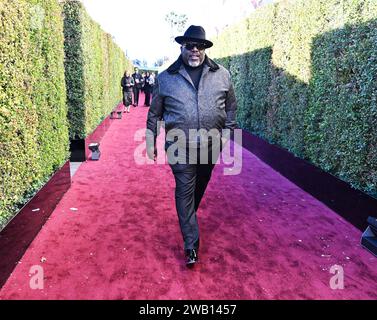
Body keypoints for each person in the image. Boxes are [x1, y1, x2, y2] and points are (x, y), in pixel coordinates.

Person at [146, 25, 237, 267]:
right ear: (182, 47)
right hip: (179, 146)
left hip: (211, 144)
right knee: (185, 187)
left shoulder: (223, 75)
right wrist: (149, 141)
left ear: (205, 48)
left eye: (199, 46)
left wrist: (227, 135)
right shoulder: (166, 78)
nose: (194, 50)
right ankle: (191, 245)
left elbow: (231, 108)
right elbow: (154, 113)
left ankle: (187, 217)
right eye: (189, 46)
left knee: (199, 185)